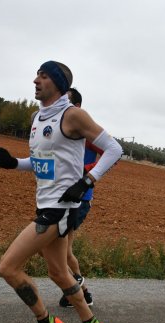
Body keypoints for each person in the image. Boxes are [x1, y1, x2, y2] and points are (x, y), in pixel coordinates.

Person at [0, 60, 123, 323]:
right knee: (58, 271)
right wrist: (14, 163)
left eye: (45, 76)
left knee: (8, 267)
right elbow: (42, 163)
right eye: (37, 74)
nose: (36, 80)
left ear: (59, 84)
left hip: (59, 209)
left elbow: (115, 148)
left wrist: (87, 180)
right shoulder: (38, 118)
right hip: (45, 203)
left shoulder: (72, 115)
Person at [58, 87, 104, 309]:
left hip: (80, 198)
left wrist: (87, 170)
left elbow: (111, 152)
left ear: (76, 107)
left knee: (63, 252)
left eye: (65, 100)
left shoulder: (86, 132)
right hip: (60, 196)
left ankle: (81, 292)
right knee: (62, 251)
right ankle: (77, 292)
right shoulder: (64, 130)